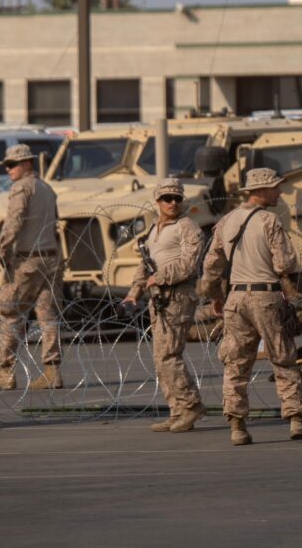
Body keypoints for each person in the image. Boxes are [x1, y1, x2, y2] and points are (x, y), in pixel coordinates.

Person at [200, 167, 302, 446]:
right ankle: (296, 419)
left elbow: (211, 266)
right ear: (261, 191)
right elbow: (284, 263)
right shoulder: (269, 220)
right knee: (283, 358)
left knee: (236, 363)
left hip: (235, 298)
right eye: (276, 187)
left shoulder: (227, 221)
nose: (280, 192)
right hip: (266, 296)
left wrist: (217, 296)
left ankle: (237, 426)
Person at [124, 178, 207, 433]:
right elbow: (146, 263)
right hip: (158, 297)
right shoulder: (154, 230)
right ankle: (177, 410)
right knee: (161, 357)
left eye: (177, 198)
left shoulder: (187, 227)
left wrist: (158, 278)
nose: (172, 203)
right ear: (157, 201)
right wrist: (134, 292)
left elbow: (189, 264)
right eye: (166, 198)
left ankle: (191, 404)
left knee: (169, 353)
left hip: (177, 295)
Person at [0, 144, 64, 390]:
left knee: (9, 309)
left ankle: (6, 371)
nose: (8, 169)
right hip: (50, 259)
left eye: (12, 164)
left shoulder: (22, 188)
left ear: (27, 164)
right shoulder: (46, 188)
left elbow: (14, 222)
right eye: (7, 165)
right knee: (47, 314)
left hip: (26, 261)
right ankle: (52, 371)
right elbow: (54, 224)